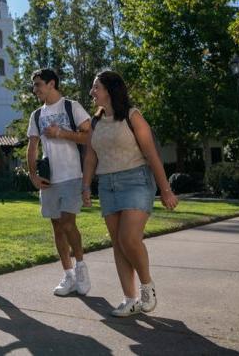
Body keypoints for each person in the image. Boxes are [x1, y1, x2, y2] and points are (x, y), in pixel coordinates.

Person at [82, 70, 179, 317]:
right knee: (118, 243)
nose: (92, 92)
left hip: (136, 180)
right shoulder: (95, 122)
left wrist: (165, 190)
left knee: (129, 238)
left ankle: (147, 286)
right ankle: (129, 298)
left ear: (110, 90)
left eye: (96, 88)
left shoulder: (132, 116)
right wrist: (85, 186)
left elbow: (152, 154)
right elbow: (91, 156)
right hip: (107, 184)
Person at [26, 68, 92, 296]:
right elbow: (32, 146)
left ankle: (81, 267)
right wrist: (33, 174)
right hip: (49, 179)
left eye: (38, 85)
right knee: (56, 226)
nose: (35, 90)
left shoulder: (71, 107)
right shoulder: (36, 115)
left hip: (72, 175)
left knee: (67, 223)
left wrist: (62, 133)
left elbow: (89, 136)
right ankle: (68, 275)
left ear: (51, 84)